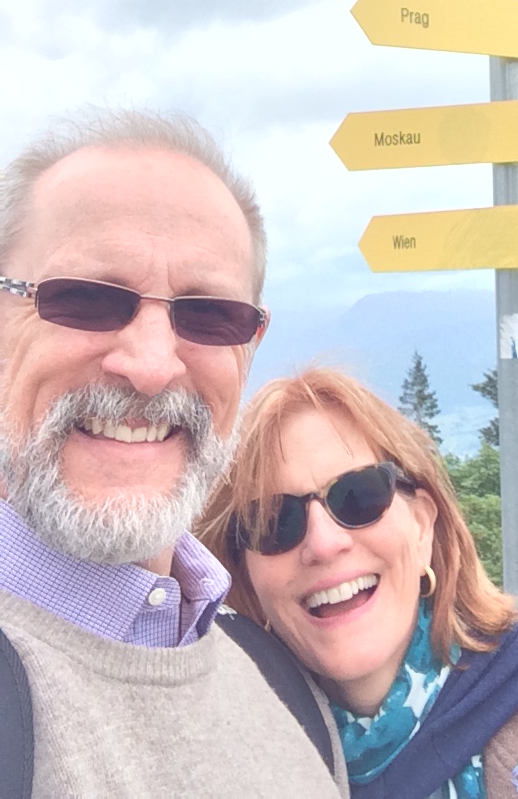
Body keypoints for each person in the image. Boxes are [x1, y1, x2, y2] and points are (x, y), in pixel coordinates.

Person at [0, 109, 345, 797]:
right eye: (87, 300)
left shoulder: (286, 689)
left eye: (209, 315)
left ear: (249, 347)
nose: (152, 366)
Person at [198, 367, 518, 799]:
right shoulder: (223, 763)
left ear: (422, 526)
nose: (324, 544)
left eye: (358, 496)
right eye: (275, 522)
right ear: (244, 576)